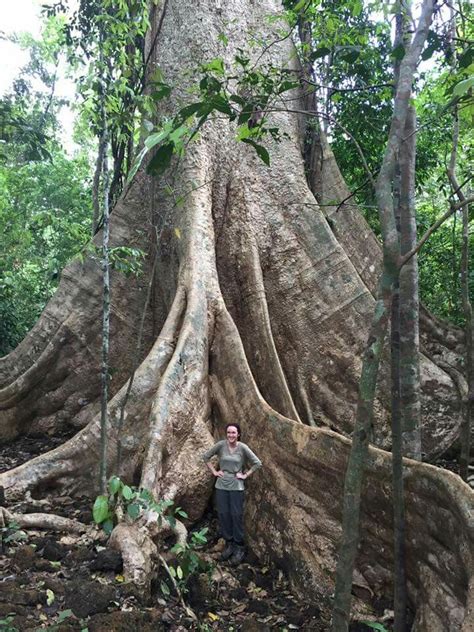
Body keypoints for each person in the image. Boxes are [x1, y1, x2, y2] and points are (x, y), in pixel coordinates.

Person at [202, 423, 262, 565]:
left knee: (236, 514)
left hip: (236, 486)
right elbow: (205, 457)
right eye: (229, 432)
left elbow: (257, 463)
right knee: (223, 514)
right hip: (221, 485)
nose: (231, 435)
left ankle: (239, 546)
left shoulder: (242, 448)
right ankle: (229, 544)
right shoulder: (221, 445)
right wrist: (215, 472)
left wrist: (245, 475)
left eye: (233, 433)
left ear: (238, 434)